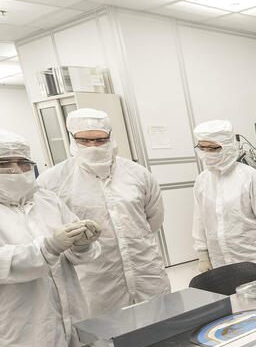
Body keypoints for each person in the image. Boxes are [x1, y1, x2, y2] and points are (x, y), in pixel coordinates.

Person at [37, 108, 170, 317]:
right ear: (72, 138)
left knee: (160, 324)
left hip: (145, 270)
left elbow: (153, 219)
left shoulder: (138, 174)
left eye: (100, 140)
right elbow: (48, 234)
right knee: (108, 335)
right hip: (93, 279)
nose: (93, 147)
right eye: (84, 141)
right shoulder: (52, 181)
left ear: (110, 137)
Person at [0, 130, 100, 347]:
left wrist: (83, 243)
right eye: (5, 164)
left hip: (70, 313)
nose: (16, 170)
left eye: (23, 162)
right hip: (20, 327)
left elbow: (76, 256)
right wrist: (48, 248)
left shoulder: (48, 200)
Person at [192, 119, 256, 273]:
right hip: (218, 260)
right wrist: (202, 255)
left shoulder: (250, 177)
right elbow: (199, 219)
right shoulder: (202, 181)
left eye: (213, 148)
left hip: (251, 258)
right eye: (202, 148)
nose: (207, 154)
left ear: (227, 147)